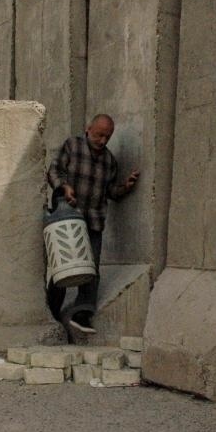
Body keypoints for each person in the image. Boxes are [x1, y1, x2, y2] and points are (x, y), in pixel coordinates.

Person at [47, 113, 140, 334]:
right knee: (63, 268)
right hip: (68, 219)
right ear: (88, 129)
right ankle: (51, 314)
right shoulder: (73, 146)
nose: (103, 140)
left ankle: (82, 313)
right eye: (99, 135)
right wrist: (64, 187)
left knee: (91, 269)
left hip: (93, 222)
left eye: (107, 137)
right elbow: (53, 171)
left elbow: (110, 192)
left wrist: (125, 187)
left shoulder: (109, 161)